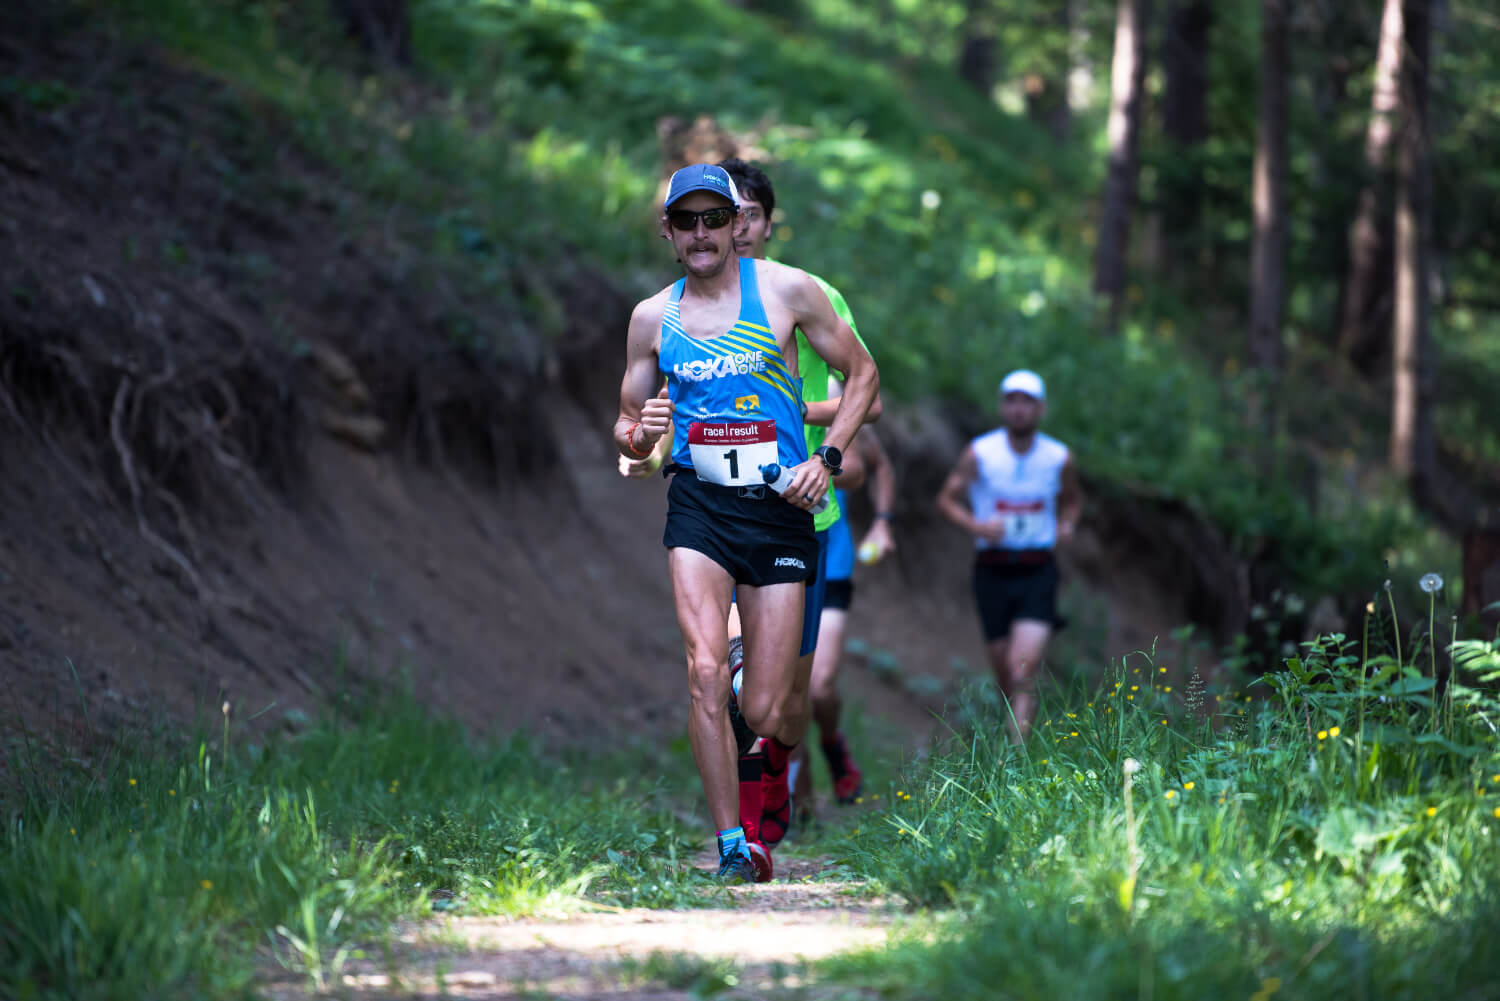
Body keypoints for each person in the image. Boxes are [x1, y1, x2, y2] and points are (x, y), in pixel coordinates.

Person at [615, 163, 878, 883]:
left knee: (765, 709)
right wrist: (641, 436)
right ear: (668, 233)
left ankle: (746, 685)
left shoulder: (790, 291)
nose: (701, 234)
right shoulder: (651, 317)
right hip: (699, 506)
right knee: (701, 672)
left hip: (781, 512)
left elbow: (865, 376)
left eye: (714, 219)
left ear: (738, 224)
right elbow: (629, 428)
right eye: (686, 221)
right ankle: (732, 840)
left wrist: (825, 458)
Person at [716, 157, 885, 844]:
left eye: (749, 214)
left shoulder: (808, 294)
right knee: (727, 672)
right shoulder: (686, 302)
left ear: (763, 220)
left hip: (804, 512)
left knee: (790, 702)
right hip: (721, 510)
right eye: (725, 215)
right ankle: (746, 825)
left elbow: (868, 395)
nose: (738, 228)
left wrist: (795, 416)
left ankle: (790, 779)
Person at [935, 369, 1082, 742]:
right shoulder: (981, 453)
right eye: (1012, 401)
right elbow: (946, 499)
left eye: (1027, 402)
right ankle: (1014, 725)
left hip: (1037, 570)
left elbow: (1073, 501)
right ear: (1003, 407)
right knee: (1005, 671)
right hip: (992, 571)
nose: (1019, 409)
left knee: (1022, 670)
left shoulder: (1059, 457)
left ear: (1041, 408)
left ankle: (1015, 758)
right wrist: (977, 527)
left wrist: (1066, 525)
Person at [793, 418, 897, 812]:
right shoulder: (755, 382)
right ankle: (799, 801)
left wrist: (882, 524)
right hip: (774, 553)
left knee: (818, 687)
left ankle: (833, 745)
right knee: (788, 690)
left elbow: (877, 464)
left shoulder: (834, 394)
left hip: (831, 558)